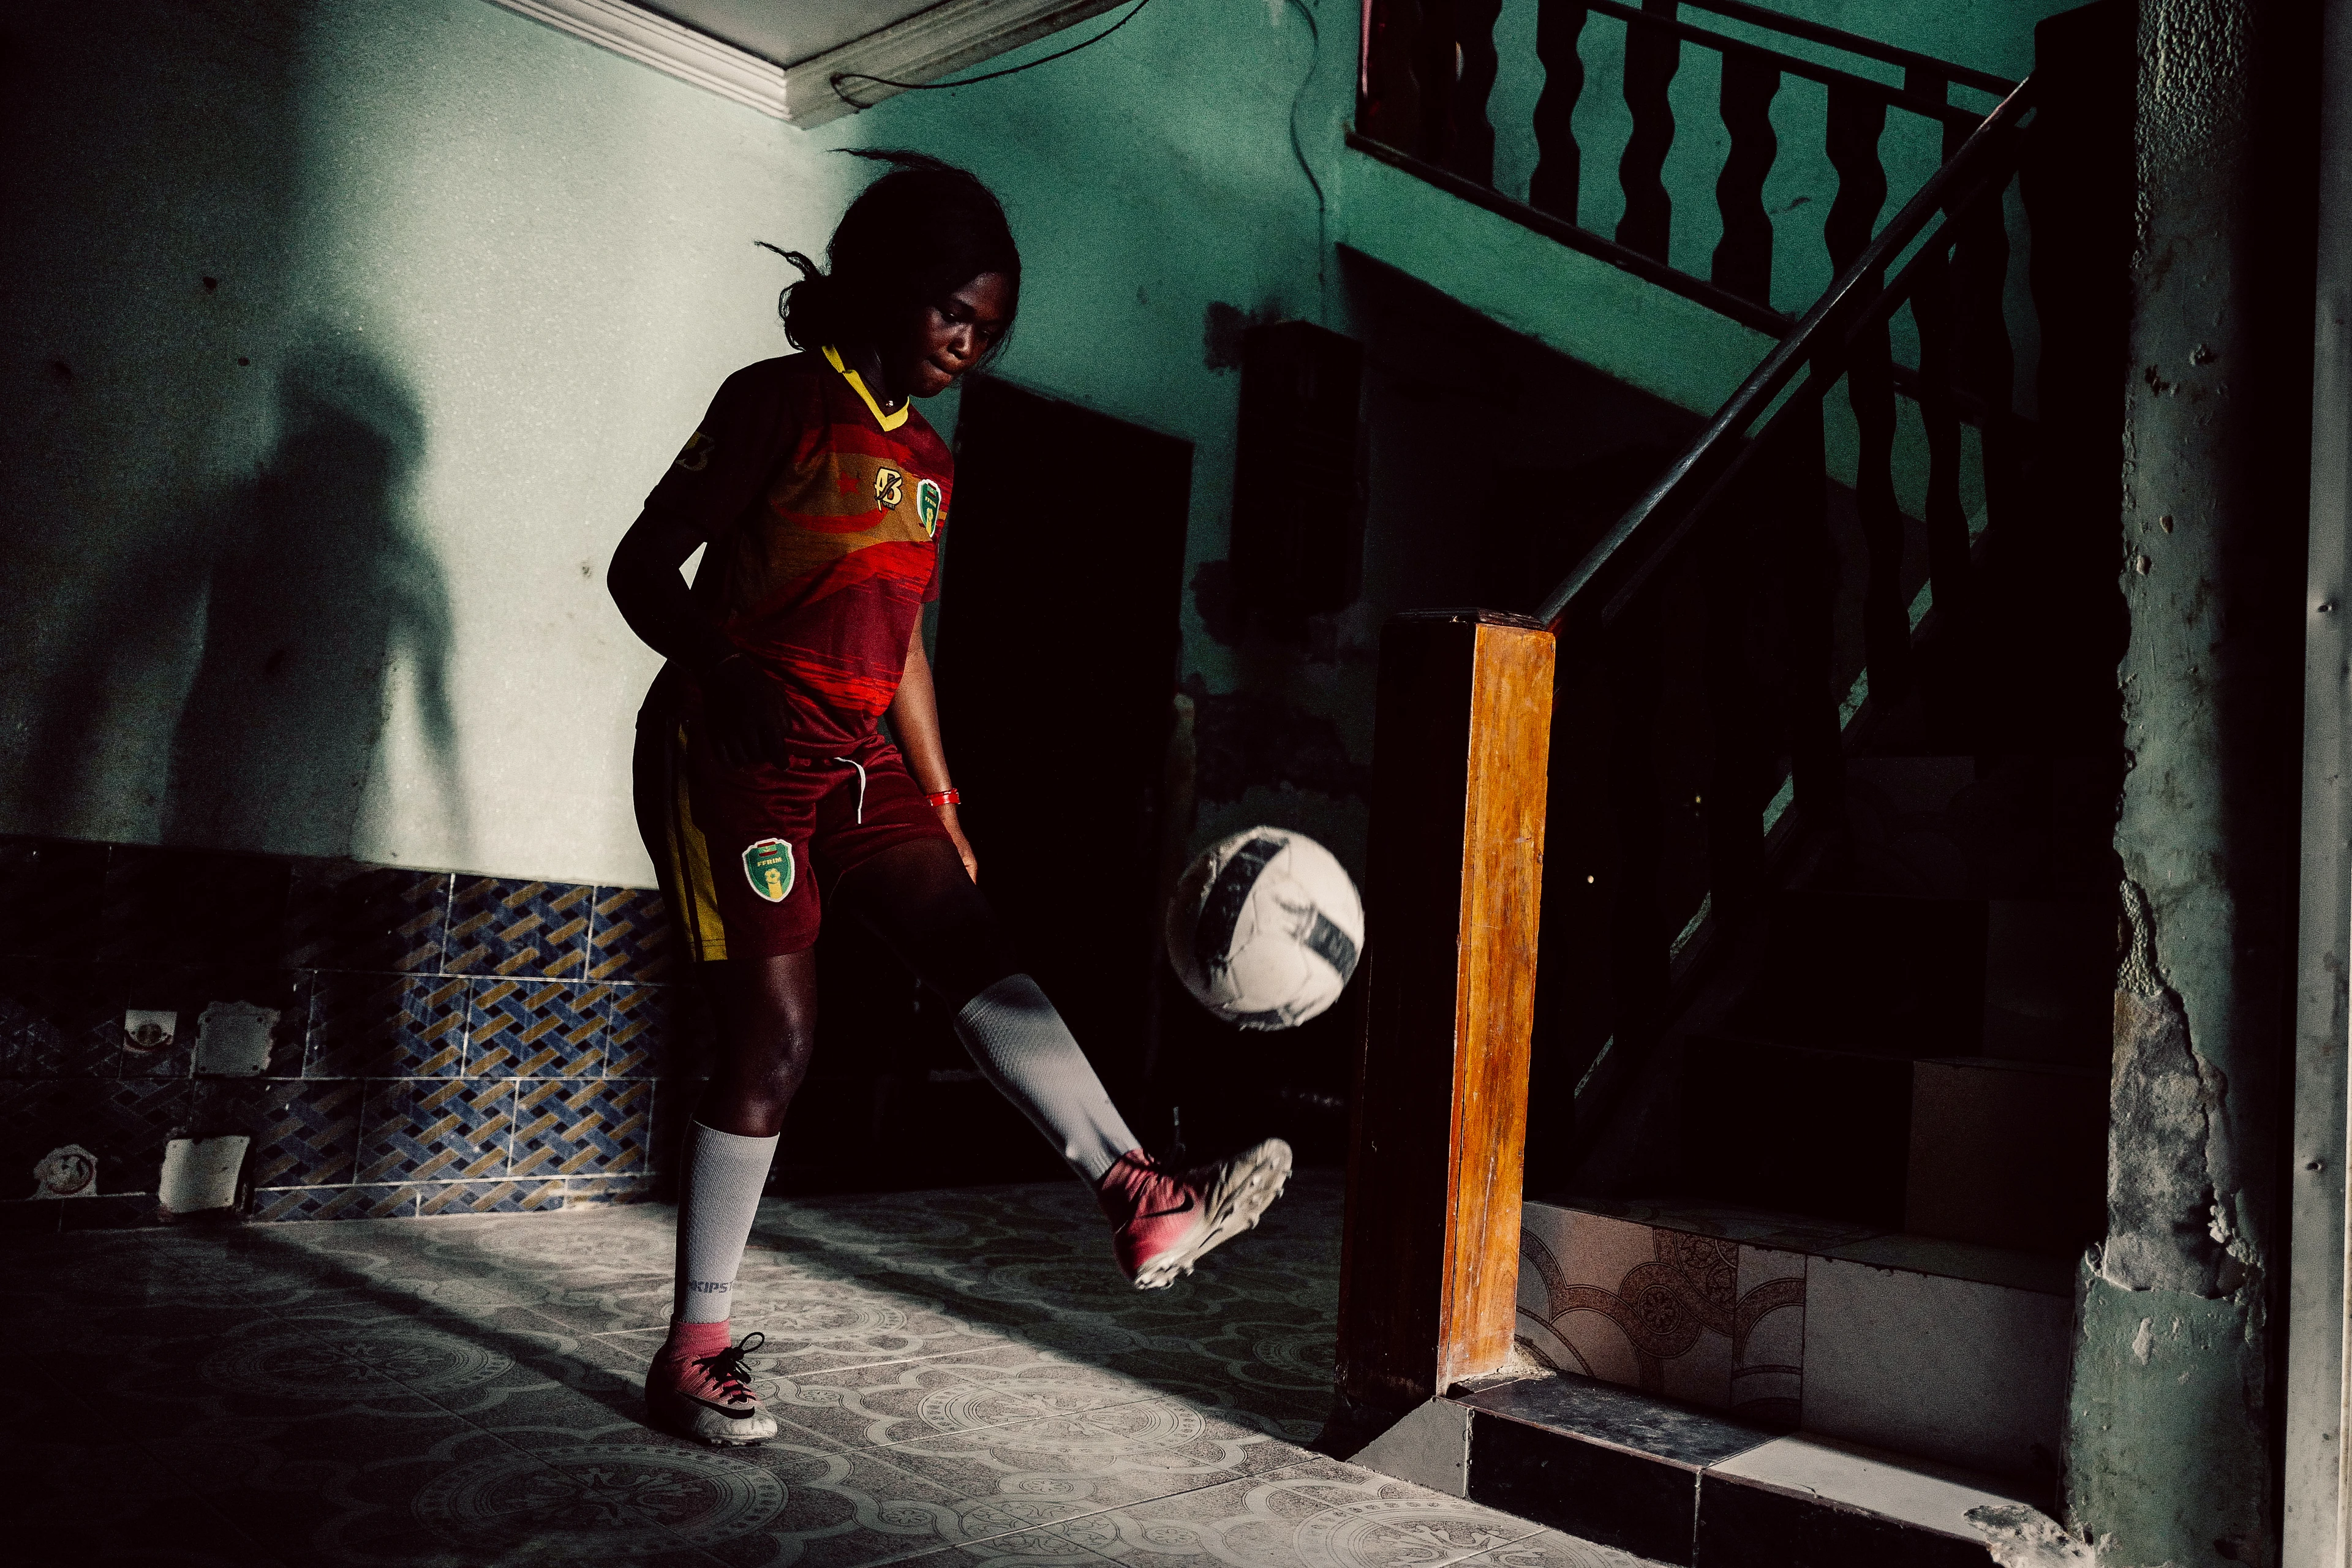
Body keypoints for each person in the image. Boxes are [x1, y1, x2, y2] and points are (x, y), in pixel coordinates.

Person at [606, 153, 1292, 1448]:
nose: (970, 347)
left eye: (989, 330)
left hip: (861, 758)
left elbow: (905, 635)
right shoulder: (777, 404)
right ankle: (693, 1346)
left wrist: (944, 792)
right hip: (731, 753)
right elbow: (641, 566)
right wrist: (718, 665)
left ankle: (1138, 1190)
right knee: (777, 1047)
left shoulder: (928, 456)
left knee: (978, 947)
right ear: (886, 289)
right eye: (955, 318)